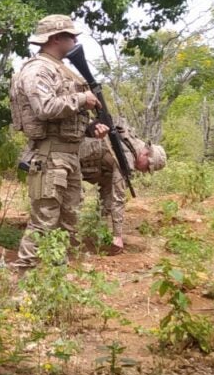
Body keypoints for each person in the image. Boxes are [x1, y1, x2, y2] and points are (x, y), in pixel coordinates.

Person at [10, 14, 110, 268]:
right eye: (70, 35)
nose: (75, 40)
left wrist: (89, 129)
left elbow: (63, 118)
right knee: (44, 221)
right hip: (49, 156)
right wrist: (82, 100)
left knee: (69, 221)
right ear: (55, 38)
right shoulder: (38, 69)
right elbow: (44, 108)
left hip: (68, 155)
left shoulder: (60, 69)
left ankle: (55, 279)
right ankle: (25, 280)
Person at [79, 122, 167, 253]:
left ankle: (95, 231)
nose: (144, 171)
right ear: (146, 154)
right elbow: (118, 198)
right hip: (70, 158)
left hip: (82, 163)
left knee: (108, 194)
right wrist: (117, 236)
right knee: (72, 202)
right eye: (147, 167)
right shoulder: (126, 157)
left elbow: (110, 193)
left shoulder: (128, 146)